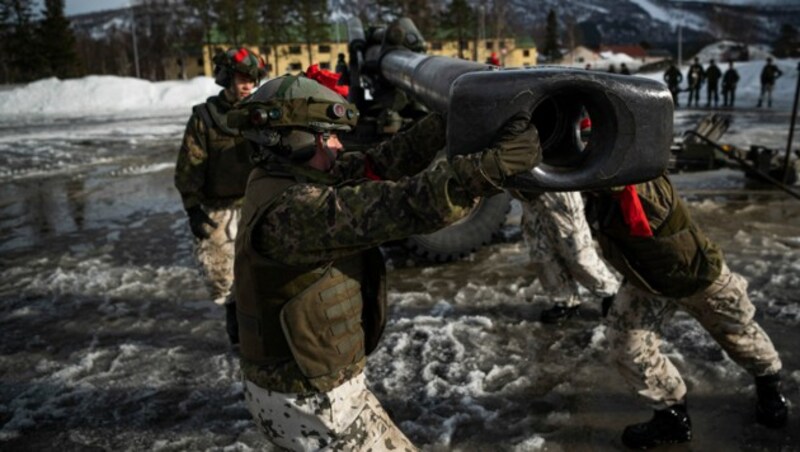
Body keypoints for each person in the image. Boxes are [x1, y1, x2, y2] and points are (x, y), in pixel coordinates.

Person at [230, 74, 542, 450]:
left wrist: (448, 122)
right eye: (329, 136)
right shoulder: (295, 210)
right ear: (294, 141)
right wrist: (490, 169)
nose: (339, 144)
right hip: (312, 403)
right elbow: (408, 205)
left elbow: (377, 165)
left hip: (301, 390)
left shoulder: (277, 177)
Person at [584, 176, 789, 449]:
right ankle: (671, 416)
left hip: (696, 276)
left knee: (738, 335)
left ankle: (769, 386)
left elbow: (614, 177)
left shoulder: (647, 180)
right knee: (626, 345)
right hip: (646, 280)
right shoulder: (594, 192)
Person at [174, 47, 266, 345]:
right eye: (241, 78)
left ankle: (260, 325)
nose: (248, 85)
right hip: (219, 207)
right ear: (227, 78)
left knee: (265, 271)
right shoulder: (206, 117)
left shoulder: (263, 112)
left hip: (258, 203)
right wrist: (192, 208)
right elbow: (191, 162)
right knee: (221, 274)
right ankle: (234, 319)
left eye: (252, 79)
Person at [520, 191, 620, 324]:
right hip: (524, 188)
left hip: (555, 184)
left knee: (577, 250)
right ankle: (565, 301)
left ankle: (610, 293)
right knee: (541, 251)